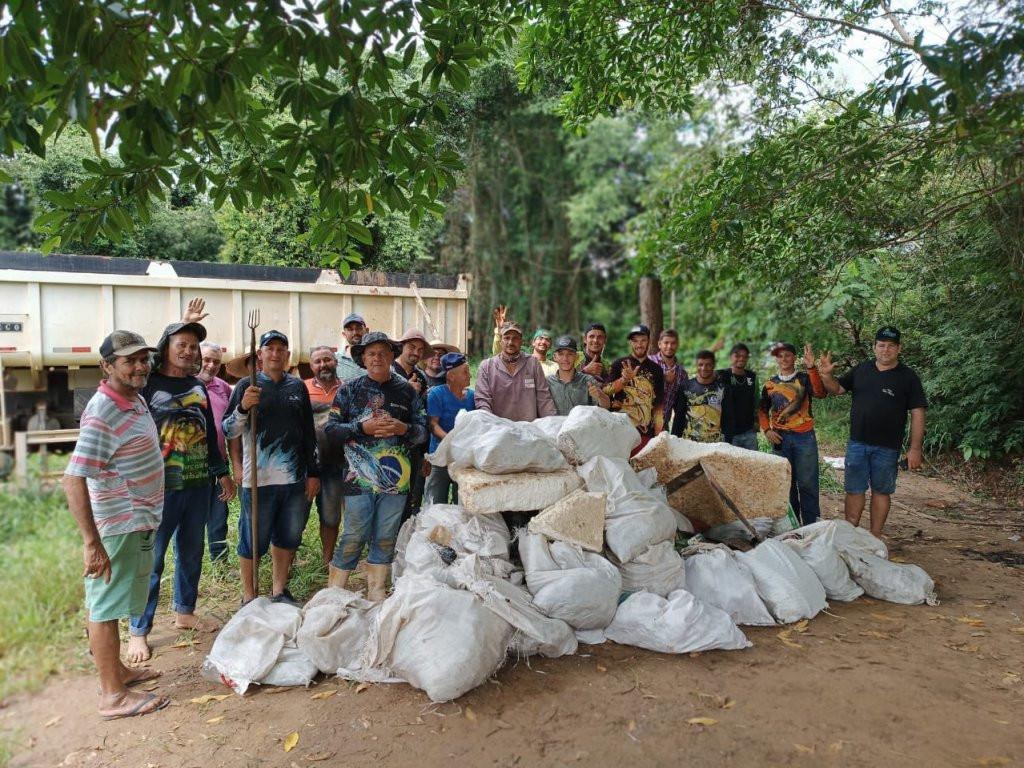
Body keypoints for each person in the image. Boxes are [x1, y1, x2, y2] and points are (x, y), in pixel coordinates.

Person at [63, 331, 170, 719]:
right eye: (130, 360)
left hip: (136, 518)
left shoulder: (134, 398)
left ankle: (119, 672)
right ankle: (112, 696)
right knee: (105, 607)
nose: (141, 365)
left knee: (118, 600)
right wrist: (91, 542)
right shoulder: (103, 410)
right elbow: (73, 477)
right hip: (117, 524)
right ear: (107, 366)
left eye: (144, 358)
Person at [126, 320, 234, 663]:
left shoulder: (197, 386)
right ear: (167, 347)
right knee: (151, 560)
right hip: (159, 489)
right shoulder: (148, 383)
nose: (189, 351)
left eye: (193, 346)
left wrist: (222, 474)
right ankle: (138, 630)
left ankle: (184, 612)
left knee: (191, 552)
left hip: (198, 484)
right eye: (182, 344)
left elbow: (208, 434)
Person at [325, 331, 427, 599]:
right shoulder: (348, 390)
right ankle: (334, 593)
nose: (377, 358)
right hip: (357, 480)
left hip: (397, 480)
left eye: (383, 352)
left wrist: (404, 427)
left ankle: (377, 591)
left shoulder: (407, 391)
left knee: (386, 535)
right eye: (371, 353)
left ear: (392, 356)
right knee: (354, 534)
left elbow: (422, 432)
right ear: (363, 358)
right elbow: (331, 431)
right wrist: (362, 427)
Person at [223, 330, 320, 605]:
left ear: (288, 356)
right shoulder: (246, 386)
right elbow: (228, 429)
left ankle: (279, 591)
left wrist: (313, 473)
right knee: (252, 540)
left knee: (288, 537)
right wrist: (243, 407)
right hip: (257, 480)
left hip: (293, 479)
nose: (275, 354)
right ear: (260, 354)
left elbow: (308, 433)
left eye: (281, 349)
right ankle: (249, 596)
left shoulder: (297, 388)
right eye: (270, 348)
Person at [818, 326, 928, 537]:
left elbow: (918, 413)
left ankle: (875, 536)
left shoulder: (908, 377)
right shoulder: (862, 369)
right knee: (854, 489)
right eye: (881, 345)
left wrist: (915, 449)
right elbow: (837, 389)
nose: (885, 350)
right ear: (874, 347)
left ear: (899, 349)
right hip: (857, 443)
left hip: (888, 447)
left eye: (891, 346)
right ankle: (850, 533)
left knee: (881, 491)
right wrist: (827, 376)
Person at [758, 342, 827, 525]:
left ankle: (812, 527)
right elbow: (762, 410)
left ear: (794, 358)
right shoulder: (770, 384)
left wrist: (812, 367)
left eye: (788, 355)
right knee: (786, 486)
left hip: (804, 437)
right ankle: (793, 527)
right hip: (780, 440)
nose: (784, 359)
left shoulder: (804, 378)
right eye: (780, 356)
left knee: (807, 485)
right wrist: (767, 430)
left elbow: (820, 393)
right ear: (776, 359)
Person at [305, 346, 345, 566]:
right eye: (318, 362)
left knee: (331, 516)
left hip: (336, 464)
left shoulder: (347, 390)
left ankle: (327, 560)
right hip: (305, 464)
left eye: (327, 360)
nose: (323, 365)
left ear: (335, 362)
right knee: (297, 515)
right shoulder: (302, 388)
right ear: (311, 367)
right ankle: (287, 562)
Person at [195, 340, 233, 562]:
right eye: (206, 359)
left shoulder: (222, 387)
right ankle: (192, 564)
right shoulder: (186, 385)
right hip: (193, 465)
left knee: (219, 517)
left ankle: (219, 564)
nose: (210, 365)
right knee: (192, 520)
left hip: (220, 464)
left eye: (216, 362)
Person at [476, 320, 557, 421]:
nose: (510, 342)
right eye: (506, 338)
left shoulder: (532, 363)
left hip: (529, 430)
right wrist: (490, 425)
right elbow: (482, 401)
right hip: (498, 430)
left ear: (521, 341)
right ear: (500, 341)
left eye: (515, 338)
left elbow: (544, 399)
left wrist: (552, 423)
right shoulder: (487, 366)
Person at [423, 352, 475, 505]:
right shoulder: (436, 394)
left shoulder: (473, 396)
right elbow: (433, 425)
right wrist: (451, 441)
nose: (469, 375)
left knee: (464, 503)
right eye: (465, 372)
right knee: (435, 502)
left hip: (464, 459)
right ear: (451, 376)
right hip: (440, 457)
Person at [606, 324, 665, 453]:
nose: (639, 344)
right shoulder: (618, 364)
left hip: (645, 432)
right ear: (630, 342)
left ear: (649, 341)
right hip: (620, 430)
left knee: (643, 469)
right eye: (635, 341)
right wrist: (623, 380)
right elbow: (606, 391)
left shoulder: (657, 370)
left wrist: (658, 434)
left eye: (643, 340)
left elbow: (658, 405)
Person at [392, 329, 431, 519]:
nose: (416, 352)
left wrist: (424, 453)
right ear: (402, 346)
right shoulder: (388, 371)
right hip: (388, 446)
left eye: (420, 349)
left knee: (412, 499)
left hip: (413, 446)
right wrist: (408, 391)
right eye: (412, 347)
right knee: (390, 496)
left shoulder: (421, 377)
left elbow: (422, 416)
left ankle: (405, 543)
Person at [546, 335, 610, 416]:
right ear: (555, 357)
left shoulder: (587, 380)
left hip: (582, 428)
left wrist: (600, 396)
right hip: (556, 428)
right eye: (561, 354)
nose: (565, 358)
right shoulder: (547, 382)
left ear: (576, 356)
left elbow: (606, 406)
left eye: (570, 354)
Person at [672, 350, 725, 443]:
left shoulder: (723, 388)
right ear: (696, 365)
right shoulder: (685, 386)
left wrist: (727, 442)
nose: (704, 368)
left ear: (714, 365)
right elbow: (679, 417)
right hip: (689, 443)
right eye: (700, 364)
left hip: (715, 444)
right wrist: (674, 440)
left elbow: (729, 418)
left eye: (708, 365)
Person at [719, 343, 759, 450]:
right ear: (730, 357)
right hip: (728, 433)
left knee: (753, 463)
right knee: (732, 465)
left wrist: (757, 423)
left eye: (744, 356)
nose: (741, 359)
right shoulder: (722, 375)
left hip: (749, 432)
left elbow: (756, 401)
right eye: (737, 356)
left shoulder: (752, 376)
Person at [649, 329, 687, 433]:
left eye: (673, 343)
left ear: (677, 345)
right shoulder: (649, 362)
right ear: (659, 344)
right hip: (643, 420)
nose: (669, 346)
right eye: (666, 343)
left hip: (663, 425)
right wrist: (663, 379)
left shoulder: (681, 373)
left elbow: (680, 406)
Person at [335, 313, 368, 383]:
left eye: (359, 328)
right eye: (350, 329)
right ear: (344, 334)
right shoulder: (336, 359)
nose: (355, 332)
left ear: (367, 331)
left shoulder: (377, 357)